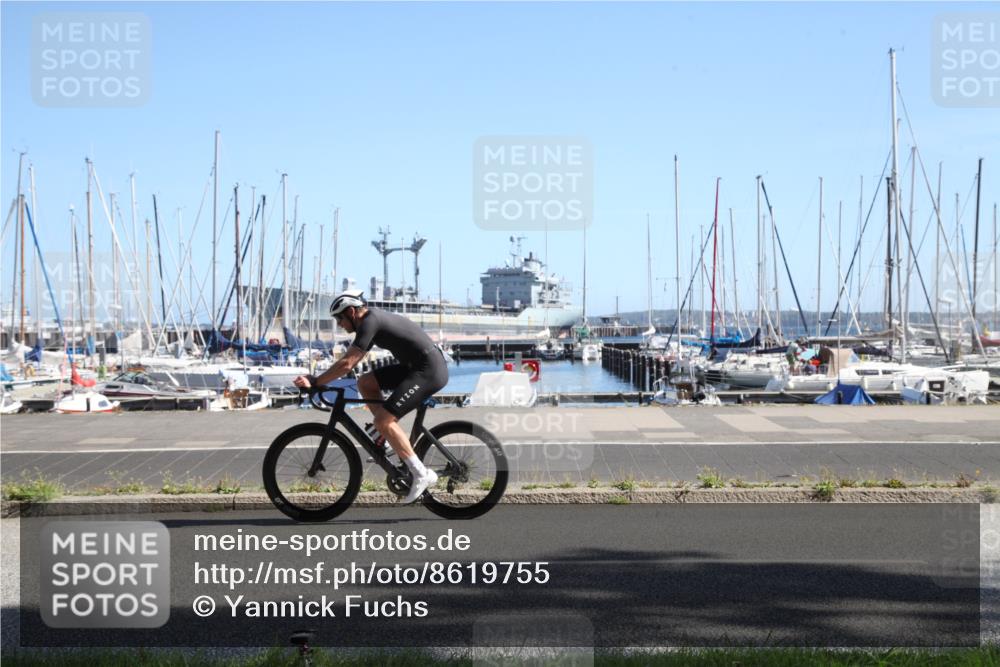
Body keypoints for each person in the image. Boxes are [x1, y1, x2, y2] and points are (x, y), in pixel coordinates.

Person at [293, 290, 449, 504]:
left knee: (384, 419)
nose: (339, 324)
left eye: (339, 318)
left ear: (351, 312)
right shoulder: (370, 319)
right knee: (365, 383)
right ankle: (384, 436)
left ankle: (421, 474)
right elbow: (350, 364)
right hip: (415, 367)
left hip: (428, 371)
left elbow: (348, 363)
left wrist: (317, 381)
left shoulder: (370, 321)